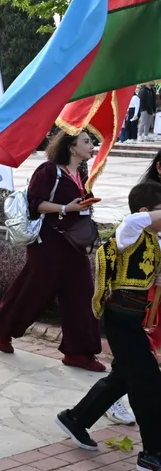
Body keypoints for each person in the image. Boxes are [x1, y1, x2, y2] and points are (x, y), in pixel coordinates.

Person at [54, 182, 161, 471]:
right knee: (148, 381)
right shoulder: (131, 230)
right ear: (145, 212)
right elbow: (135, 220)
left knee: (126, 376)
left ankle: (75, 418)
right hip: (119, 316)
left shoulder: (154, 237)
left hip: (134, 318)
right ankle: (152, 453)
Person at [0, 131, 105, 370]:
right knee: (34, 290)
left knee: (81, 295)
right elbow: (34, 203)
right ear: (71, 147)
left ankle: (79, 352)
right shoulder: (49, 171)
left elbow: (77, 205)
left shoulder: (80, 173)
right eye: (87, 142)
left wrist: (84, 204)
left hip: (74, 244)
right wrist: (65, 207)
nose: (92, 146)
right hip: (48, 242)